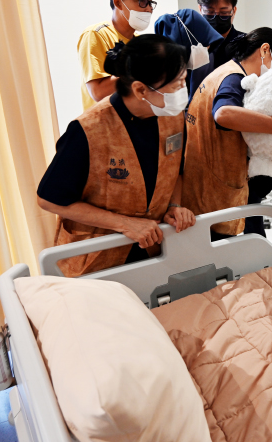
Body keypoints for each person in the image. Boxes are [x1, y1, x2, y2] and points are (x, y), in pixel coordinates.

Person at [38, 35, 196, 277]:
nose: (183, 92)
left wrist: (174, 206)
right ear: (140, 89)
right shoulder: (88, 130)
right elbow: (49, 200)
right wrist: (125, 224)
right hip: (95, 258)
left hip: (152, 248)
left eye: (184, 81)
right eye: (177, 85)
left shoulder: (171, 117)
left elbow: (175, 170)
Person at [181, 28, 272, 241]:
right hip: (215, 185)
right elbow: (224, 114)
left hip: (202, 178)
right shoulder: (234, 78)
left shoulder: (224, 71)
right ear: (265, 50)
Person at [77, 0, 156, 111]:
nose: (149, 8)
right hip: (105, 122)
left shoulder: (140, 43)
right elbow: (98, 92)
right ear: (118, 2)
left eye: (150, 2)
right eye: (142, 1)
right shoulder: (96, 35)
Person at [189, 0, 244, 98]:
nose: (216, 17)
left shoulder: (246, 43)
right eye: (209, 12)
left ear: (234, 11)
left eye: (224, 13)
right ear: (200, 9)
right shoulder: (191, 45)